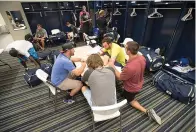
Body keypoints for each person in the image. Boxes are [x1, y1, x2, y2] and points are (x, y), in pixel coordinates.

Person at [109, 41, 162, 125]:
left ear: (129, 51)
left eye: (125, 47)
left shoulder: (130, 67)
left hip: (132, 88)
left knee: (131, 100)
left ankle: (147, 111)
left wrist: (112, 66)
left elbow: (120, 77)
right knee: (125, 91)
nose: (124, 48)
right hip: (139, 82)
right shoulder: (141, 57)